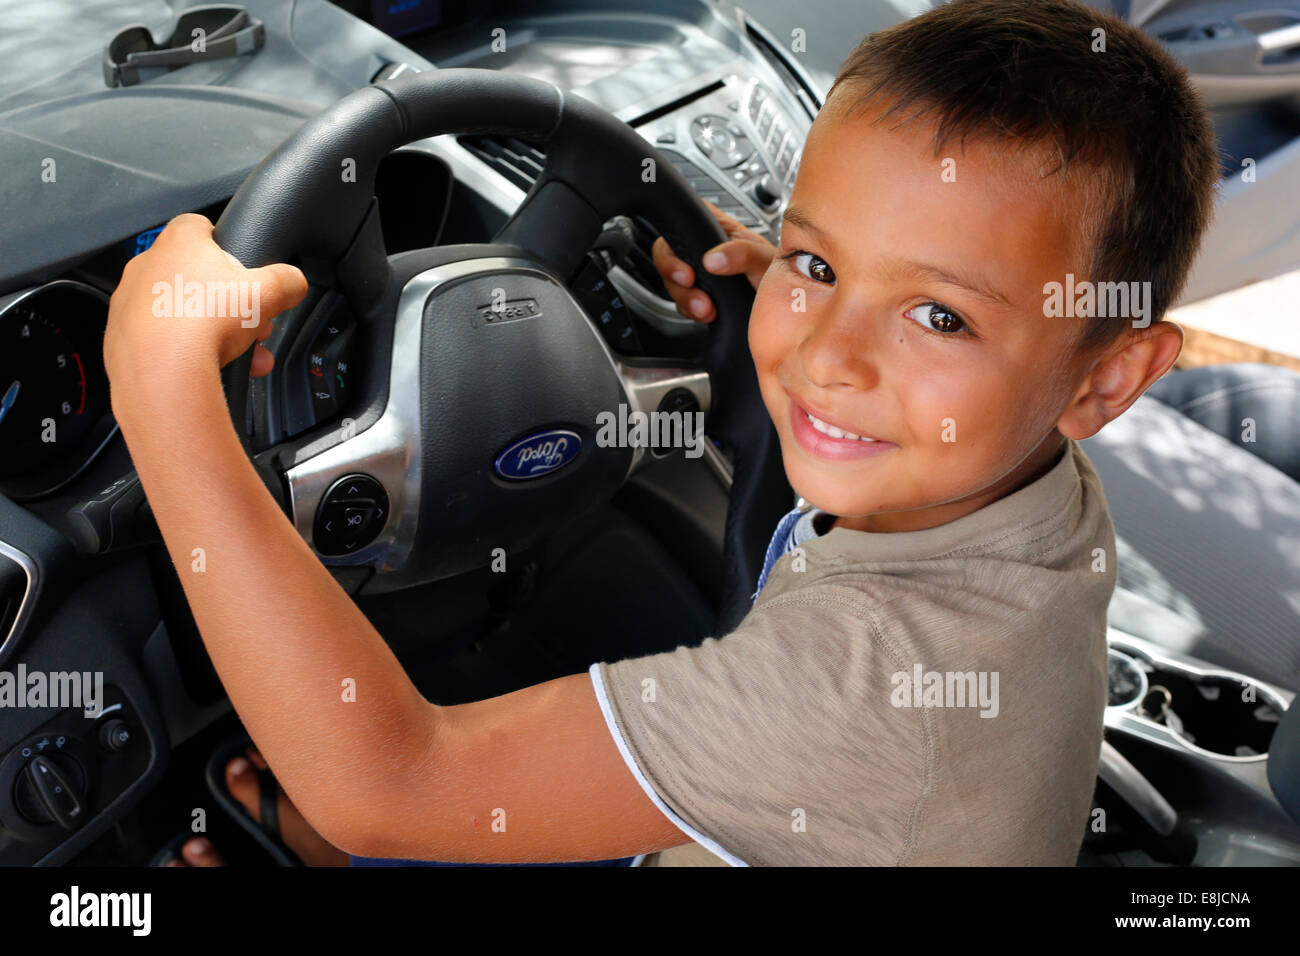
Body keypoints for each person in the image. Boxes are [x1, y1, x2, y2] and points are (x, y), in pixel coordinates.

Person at [109, 0, 1221, 867]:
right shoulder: (1037, 471)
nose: (827, 354)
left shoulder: (857, 680)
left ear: (1109, 377)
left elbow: (391, 780)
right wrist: (754, 312)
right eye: (816, 262)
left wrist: (164, 399)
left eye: (938, 314)